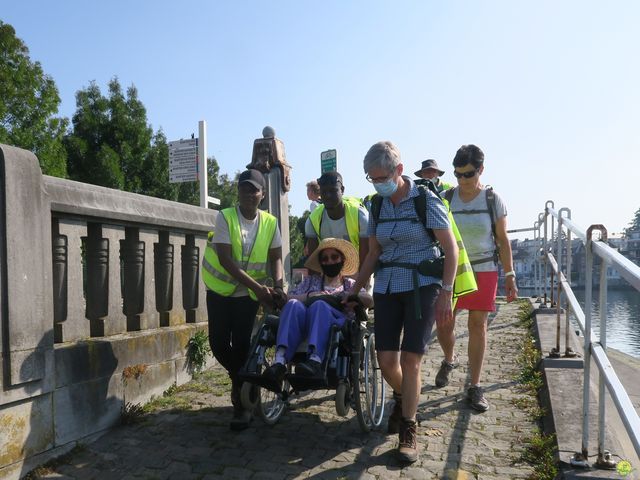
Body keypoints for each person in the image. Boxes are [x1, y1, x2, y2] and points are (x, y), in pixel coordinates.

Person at [348, 141, 459, 464]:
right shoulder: (377, 206)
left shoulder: (425, 200)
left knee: (411, 360)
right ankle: (404, 395)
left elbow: (449, 249)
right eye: (371, 178)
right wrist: (354, 289)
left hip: (421, 286)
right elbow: (373, 253)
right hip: (386, 288)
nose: (377, 183)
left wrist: (446, 292)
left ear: (398, 170)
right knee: (386, 362)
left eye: (381, 176)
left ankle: (408, 428)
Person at [435, 144, 518, 412]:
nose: (462, 180)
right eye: (457, 174)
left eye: (468, 174)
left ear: (481, 170)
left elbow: (503, 241)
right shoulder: (446, 198)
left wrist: (510, 274)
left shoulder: (493, 200)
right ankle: (449, 359)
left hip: (484, 270)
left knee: (477, 325)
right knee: (444, 323)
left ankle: (475, 385)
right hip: (455, 270)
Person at [201, 168, 286, 431]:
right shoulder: (225, 217)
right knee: (217, 343)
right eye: (244, 188)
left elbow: (276, 258)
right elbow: (225, 259)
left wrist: (279, 285)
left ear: (262, 194)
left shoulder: (270, 223)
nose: (249, 194)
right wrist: (260, 289)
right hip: (220, 290)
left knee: (240, 343)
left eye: (254, 189)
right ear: (238, 191)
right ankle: (243, 381)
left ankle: (242, 405)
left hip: (246, 296)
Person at [262, 238, 372, 386]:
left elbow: (369, 300)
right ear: (321, 263)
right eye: (325, 259)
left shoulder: (350, 284)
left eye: (334, 257)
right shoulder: (310, 282)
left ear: (342, 260)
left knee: (319, 305)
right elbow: (289, 298)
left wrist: (352, 296)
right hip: (305, 324)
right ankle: (280, 361)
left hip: (336, 326)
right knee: (293, 304)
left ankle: (315, 360)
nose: (330, 261)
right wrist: (310, 296)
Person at [305, 171, 370, 269]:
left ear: (342, 190)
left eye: (333, 191)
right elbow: (314, 266)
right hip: (329, 271)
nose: (328, 196)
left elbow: (365, 262)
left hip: (357, 269)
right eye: (324, 192)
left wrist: (359, 283)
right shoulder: (312, 220)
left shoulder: (360, 216)